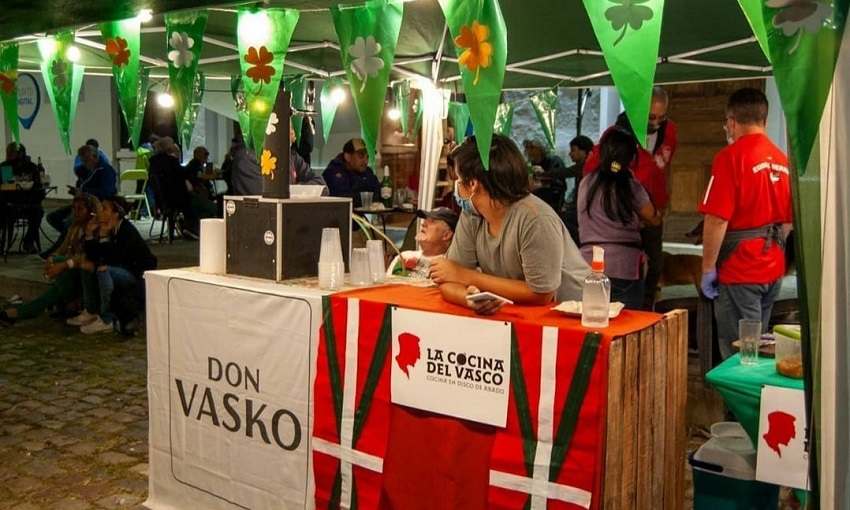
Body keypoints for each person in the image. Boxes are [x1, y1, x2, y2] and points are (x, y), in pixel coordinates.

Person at [430, 135, 588, 315]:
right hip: (517, 317)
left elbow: (541, 293)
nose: (456, 186)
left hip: (570, 318)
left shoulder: (535, 219)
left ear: (473, 183)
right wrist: (469, 298)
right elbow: (448, 279)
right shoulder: (472, 214)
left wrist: (466, 276)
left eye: (458, 178)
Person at [698, 87, 792, 360]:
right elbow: (787, 224)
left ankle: (737, 404)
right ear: (764, 119)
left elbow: (716, 220)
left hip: (741, 272)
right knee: (757, 351)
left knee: (740, 355)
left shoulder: (730, 158)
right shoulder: (782, 160)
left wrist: (707, 268)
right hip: (773, 270)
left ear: (731, 122)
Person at [585, 86, 678, 310]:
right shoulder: (616, 134)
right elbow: (596, 169)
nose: (656, 122)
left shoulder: (670, 132)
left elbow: (665, 168)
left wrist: (663, 201)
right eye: (651, 117)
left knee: (655, 264)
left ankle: (646, 309)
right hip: (624, 208)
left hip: (652, 206)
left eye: (661, 117)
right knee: (625, 267)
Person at [577, 128, 662, 310]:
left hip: (588, 264)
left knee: (594, 322)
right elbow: (654, 218)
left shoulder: (586, 183)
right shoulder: (631, 186)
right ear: (630, 159)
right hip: (625, 268)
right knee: (625, 328)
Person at [0, 194, 102, 326]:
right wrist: (52, 258)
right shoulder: (75, 227)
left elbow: (86, 257)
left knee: (61, 267)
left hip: (85, 272)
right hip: (71, 270)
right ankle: (17, 313)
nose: (76, 212)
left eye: (80, 209)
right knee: (57, 275)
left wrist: (61, 263)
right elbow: (63, 247)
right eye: (74, 208)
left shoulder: (94, 229)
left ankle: (68, 305)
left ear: (90, 211)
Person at [76, 196, 158, 335]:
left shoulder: (125, 230)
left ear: (115, 214)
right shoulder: (107, 228)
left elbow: (112, 258)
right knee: (86, 267)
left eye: (105, 209)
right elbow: (95, 256)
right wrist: (90, 234)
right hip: (119, 268)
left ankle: (106, 319)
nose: (100, 212)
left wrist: (103, 236)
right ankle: (90, 311)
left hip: (135, 274)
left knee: (103, 270)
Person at [42, 144, 118, 260]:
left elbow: (107, 192)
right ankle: (73, 237)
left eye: (87, 160)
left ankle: (59, 247)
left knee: (70, 221)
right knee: (52, 217)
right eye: (83, 161)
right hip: (82, 202)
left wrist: (84, 191)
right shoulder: (87, 171)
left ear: (94, 156)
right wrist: (77, 192)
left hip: (94, 206)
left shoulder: (106, 171)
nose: (85, 163)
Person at [386, 207, 458, 278]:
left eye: (432, 221)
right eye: (426, 219)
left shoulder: (450, 267)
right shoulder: (404, 257)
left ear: (446, 235)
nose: (423, 224)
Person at [3, 143, 43, 253]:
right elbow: (5, 188)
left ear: (21, 154)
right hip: (9, 205)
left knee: (38, 212)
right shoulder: (5, 167)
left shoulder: (32, 168)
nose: (10, 157)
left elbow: (39, 189)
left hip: (29, 204)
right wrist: (11, 203)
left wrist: (30, 203)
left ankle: (28, 242)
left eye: (13, 154)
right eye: (9, 154)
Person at [322, 138, 381, 207]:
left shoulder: (367, 171)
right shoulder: (334, 172)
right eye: (361, 157)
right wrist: (366, 196)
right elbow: (342, 200)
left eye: (367, 157)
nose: (365, 161)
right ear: (347, 157)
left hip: (357, 216)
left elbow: (380, 192)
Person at [561, 135, 594, 244]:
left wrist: (539, 175)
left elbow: (564, 172)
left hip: (588, 210)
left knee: (564, 219)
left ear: (584, 151)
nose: (570, 153)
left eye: (573, 150)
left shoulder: (587, 166)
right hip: (583, 208)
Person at [523, 138, 567, 211]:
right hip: (534, 204)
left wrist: (544, 179)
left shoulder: (555, 161)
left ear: (541, 148)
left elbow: (562, 185)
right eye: (527, 148)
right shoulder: (529, 165)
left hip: (552, 204)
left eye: (532, 147)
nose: (529, 151)